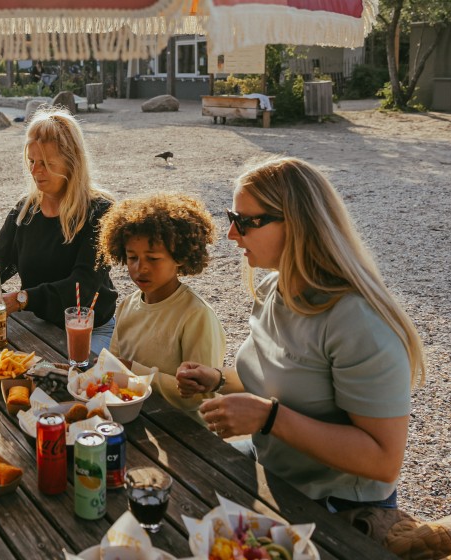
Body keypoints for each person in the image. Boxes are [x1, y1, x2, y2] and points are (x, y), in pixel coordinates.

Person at [176, 157, 426, 512]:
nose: (231, 234)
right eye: (233, 219)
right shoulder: (273, 288)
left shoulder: (357, 321)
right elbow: (282, 384)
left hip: (335, 504)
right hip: (278, 471)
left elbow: (384, 461)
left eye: (246, 222)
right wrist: (217, 379)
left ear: (298, 225)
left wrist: (268, 418)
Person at [0, 106, 118, 353]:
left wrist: (21, 299)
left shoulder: (99, 212)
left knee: (66, 384)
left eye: (47, 163)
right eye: (32, 161)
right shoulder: (25, 210)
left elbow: (80, 288)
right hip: (38, 322)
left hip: (91, 330)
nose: (35, 170)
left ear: (72, 163)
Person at [97, 192, 226, 423]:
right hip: (133, 418)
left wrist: (136, 372)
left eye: (153, 258)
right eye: (132, 257)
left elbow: (200, 396)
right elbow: (114, 368)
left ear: (180, 257)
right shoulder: (127, 305)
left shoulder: (196, 315)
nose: (140, 268)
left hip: (184, 433)